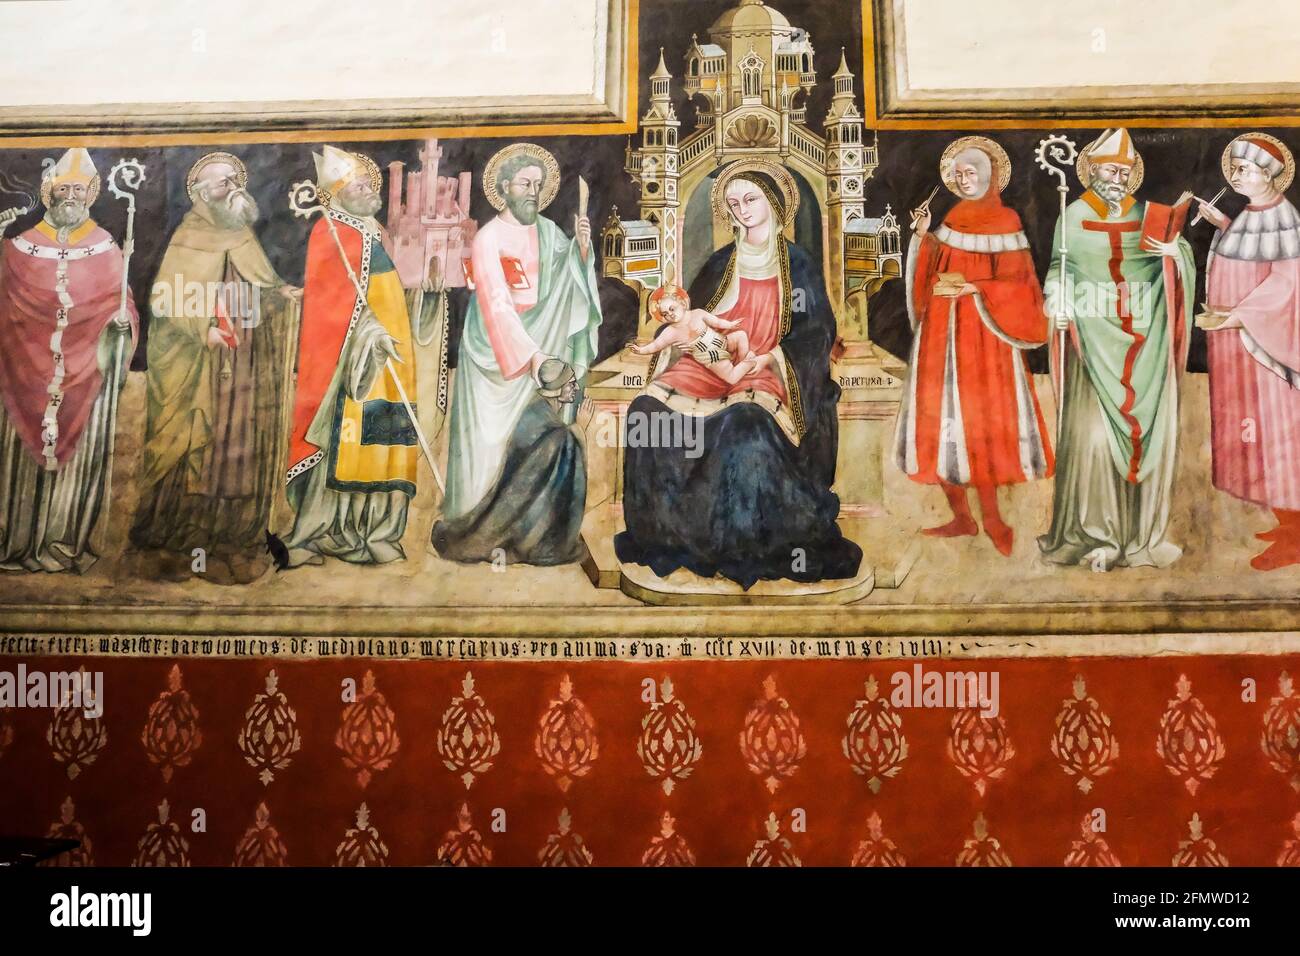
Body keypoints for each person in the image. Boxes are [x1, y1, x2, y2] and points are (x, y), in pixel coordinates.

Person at [615, 160, 861, 588]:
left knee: (745, 423)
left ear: (772, 203)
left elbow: (817, 330)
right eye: (733, 202)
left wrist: (772, 359)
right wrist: (679, 339)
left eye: (751, 200)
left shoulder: (796, 265)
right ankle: (672, 533)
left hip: (765, 367)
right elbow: (692, 314)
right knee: (647, 411)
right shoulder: (721, 262)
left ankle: (739, 541)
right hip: (707, 362)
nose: (742, 209)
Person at [130, 151, 301, 584]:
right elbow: (164, 302)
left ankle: (230, 536)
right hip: (195, 364)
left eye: (235, 180)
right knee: (190, 443)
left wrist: (280, 294)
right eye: (223, 183)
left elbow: (258, 287)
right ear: (202, 194)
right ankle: (175, 538)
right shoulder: (187, 237)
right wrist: (201, 329)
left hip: (238, 364)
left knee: (232, 446)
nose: (233, 188)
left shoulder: (242, 234)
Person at [1038, 128, 1196, 570]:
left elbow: (1176, 256)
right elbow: (1059, 267)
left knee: (1150, 436)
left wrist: (1174, 252)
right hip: (1092, 343)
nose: (1119, 178)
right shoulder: (1070, 217)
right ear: (1090, 171)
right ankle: (1098, 536)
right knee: (1093, 441)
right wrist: (1059, 299)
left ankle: (1142, 536)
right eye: (1111, 169)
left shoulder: (1149, 214)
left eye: (1126, 171)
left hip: (1145, 344)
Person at [274, 146, 437, 569]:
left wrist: (428, 296)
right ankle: (329, 529)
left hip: (391, 359)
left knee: (387, 436)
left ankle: (379, 531)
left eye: (369, 184)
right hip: (355, 368)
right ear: (336, 195)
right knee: (349, 439)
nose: (368, 191)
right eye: (358, 186)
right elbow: (332, 309)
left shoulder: (374, 231)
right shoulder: (332, 234)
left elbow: (389, 293)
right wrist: (370, 335)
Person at [895, 136, 1054, 557]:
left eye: (973, 174)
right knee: (942, 422)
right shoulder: (952, 219)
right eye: (959, 175)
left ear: (990, 177)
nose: (966, 181)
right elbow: (932, 271)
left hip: (984, 340)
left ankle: (994, 519)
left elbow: (1022, 288)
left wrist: (975, 287)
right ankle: (961, 517)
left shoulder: (1007, 223)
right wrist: (924, 236)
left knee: (979, 426)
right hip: (941, 334)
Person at [439, 142, 602, 541]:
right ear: (505, 186)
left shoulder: (548, 231)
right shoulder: (489, 238)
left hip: (542, 346)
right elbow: (496, 304)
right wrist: (533, 359)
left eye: (539, 184)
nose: (534, 191)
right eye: (526, 183)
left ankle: (534, 530)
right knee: (490, 447)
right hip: (496, 355)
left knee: (544, 439)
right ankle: (473, 526)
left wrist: (581, 250)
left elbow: (569, 282)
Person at [0, 148, 138, 572]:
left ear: (91, 194)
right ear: (50, 193)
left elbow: (122, 302)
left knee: (78, 460)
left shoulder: (106, 247)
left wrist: (121, 326)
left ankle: (62, 543)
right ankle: (18, 542)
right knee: (18, 463)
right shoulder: (18, 248)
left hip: (85, 376)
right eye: (64, 188)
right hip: (24, 374)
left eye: (80, 188)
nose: (71, 196)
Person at [1197, 133, 1300, 570]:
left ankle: (1295, 533)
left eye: (1244, 169)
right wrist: (1224, 224)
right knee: (1253, 430)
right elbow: (1250, 251)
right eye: (1234, 168)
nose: (1235, 176)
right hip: (1240, 348)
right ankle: (1285, 519)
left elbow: (1284, 285)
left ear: (1271, 175)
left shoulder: (1285, 218)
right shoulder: (1252, 213)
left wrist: (1236, 317)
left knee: (1280, 436)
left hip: (1267, 347)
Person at [433, 358, 591, 565]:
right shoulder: (557, 434)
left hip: (513, 502)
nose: (575, 387)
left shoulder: (534, 410)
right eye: (570, 383)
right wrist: (580, 429)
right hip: (525, 514)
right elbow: (561, 446)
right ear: (557, 389)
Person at [631, 282, 760, 386]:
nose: (670, 314)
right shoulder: (670, 332)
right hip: (711, 356)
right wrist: (640, 350)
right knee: (732, 378)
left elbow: (716, 322)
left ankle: (743, 361)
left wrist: (730, 325)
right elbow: (655, 346)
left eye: (672, 309)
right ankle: (751, 363)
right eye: (665, 314)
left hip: (723, 341)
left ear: (682, 303)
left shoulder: (697, 313)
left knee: (741, 335)